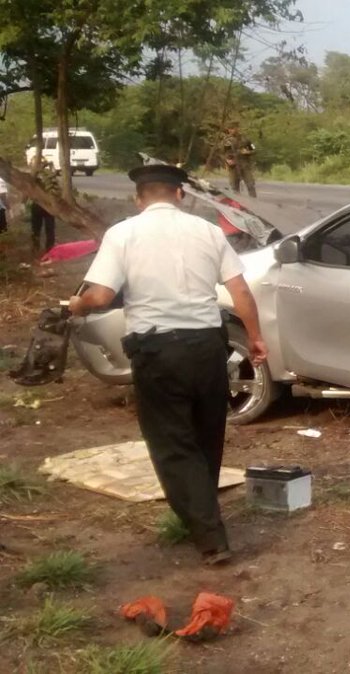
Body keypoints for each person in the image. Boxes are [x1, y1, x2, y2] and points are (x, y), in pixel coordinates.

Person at [68, 165, 268, 566]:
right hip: (209, 347)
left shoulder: (123, 233)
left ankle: (210, 537)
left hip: (158, 351)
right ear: (180, 195)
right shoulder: (208, 232)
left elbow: (101, 294)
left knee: (172, 443)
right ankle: (203, 516)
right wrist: (255, 337)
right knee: (207, 434)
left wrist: (78, 304)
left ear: (138, 199)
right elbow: (240, 290)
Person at [220, 124, 257, 198]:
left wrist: (248, 152)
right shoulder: (226, 140)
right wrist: (227, 160)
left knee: (250, 184)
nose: (230, 130)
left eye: (232, 128)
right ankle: (237, 202)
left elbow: (254, 148)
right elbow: (222, 153)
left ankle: (254, 201)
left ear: (237, 128)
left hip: (244, 164)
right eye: (229, 129)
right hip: (233, 166)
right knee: (234, 186)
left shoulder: (245, 138)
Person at [30, 165, 58, 253]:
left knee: (44, 228)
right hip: (41, 205)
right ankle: (42, 246)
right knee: (39, 228)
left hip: (44, 206)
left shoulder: (35, 178)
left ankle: (47, 247)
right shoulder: (48, 178)